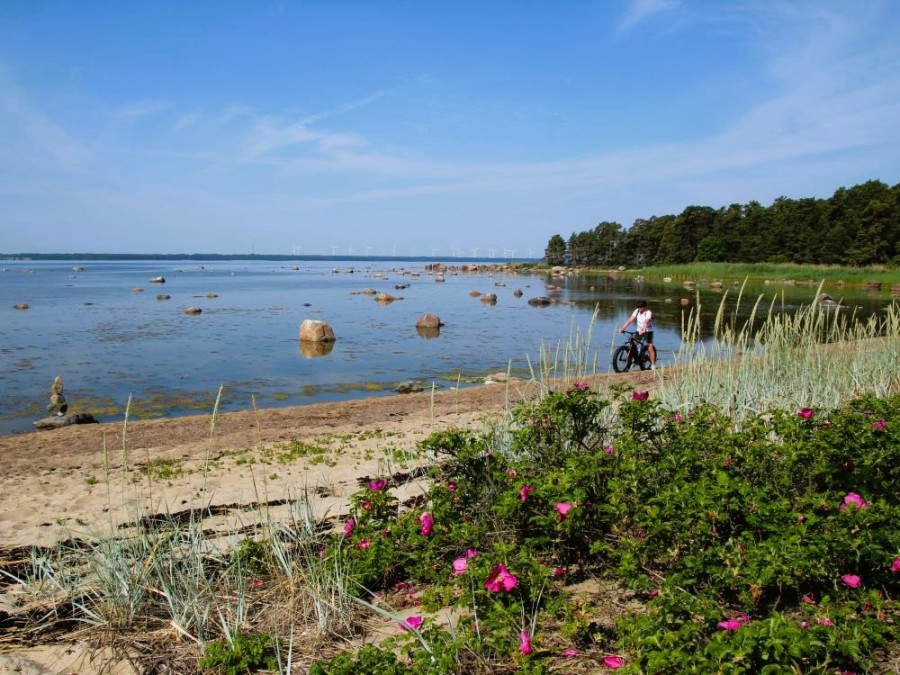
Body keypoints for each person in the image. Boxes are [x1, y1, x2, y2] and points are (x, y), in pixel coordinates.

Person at [619, 300, 656, 369]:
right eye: (638, 307)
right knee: (633, 344)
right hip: (639, 331)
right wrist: (622, 328)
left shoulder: (648, 312)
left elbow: (646, 321)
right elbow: (630, 320)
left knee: (650, 346)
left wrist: (643, 330)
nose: (639, 308)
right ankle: (635, 360)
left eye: (641, 307)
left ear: (644, 307)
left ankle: (653, 364)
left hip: (648, 331)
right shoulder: (636, 311)